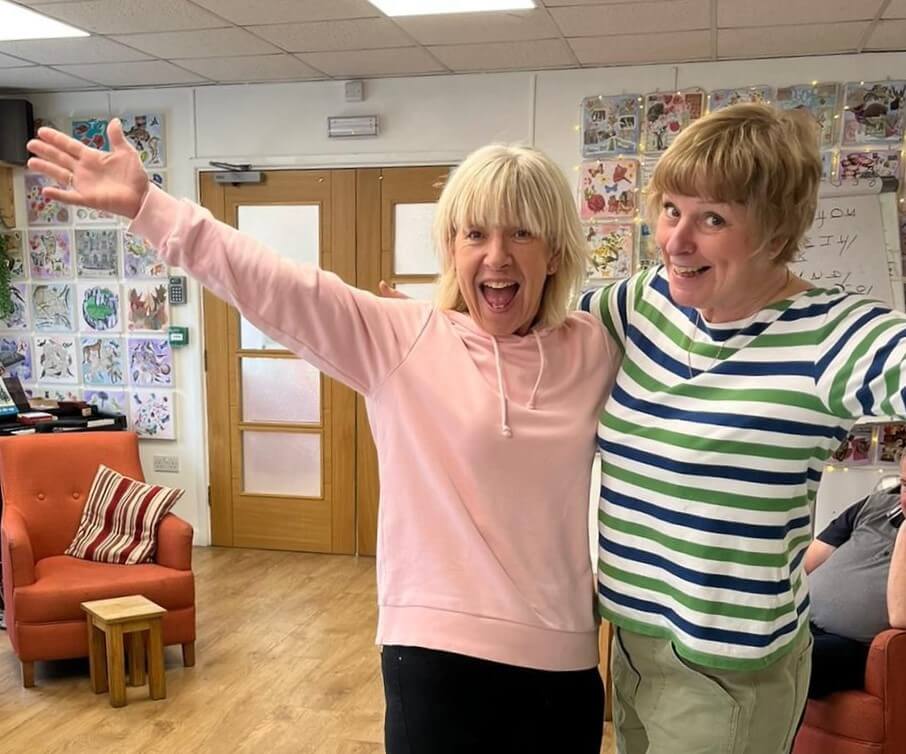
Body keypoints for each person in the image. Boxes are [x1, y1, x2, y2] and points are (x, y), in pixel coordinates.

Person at [27, 124, 619, 754]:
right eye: (475, 233)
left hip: (562, 664)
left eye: (520, 232)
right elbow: (278, 285)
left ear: (554, 252)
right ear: (452, 248)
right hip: (438, 659)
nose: (496, 256)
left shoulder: (593, 348)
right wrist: (152, 207)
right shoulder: (404, 339)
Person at [579, 102, 906, 754]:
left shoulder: (830, 335)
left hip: (728, 668)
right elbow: (529, 345)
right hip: (631, 640)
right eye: (670, 209)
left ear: (775, 232)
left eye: (713, 219)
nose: (675, 240)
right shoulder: (638, 304)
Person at [804, 453, 906, 698]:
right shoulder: (873, 506)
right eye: (905, 484)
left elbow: (900, 616)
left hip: (856, 648)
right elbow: (803, 565)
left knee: (788, 661)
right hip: (804, 623)